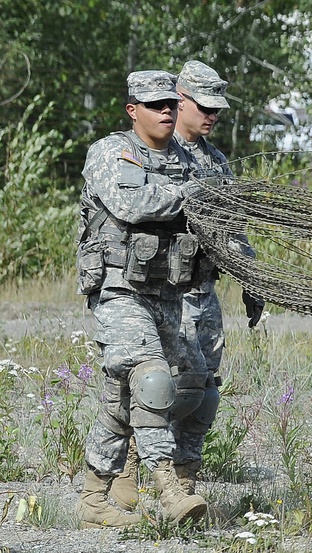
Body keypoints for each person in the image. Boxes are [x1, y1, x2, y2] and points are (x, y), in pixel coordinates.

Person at [74, 70, 210, 527]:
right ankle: (167, 487)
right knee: (152, 380)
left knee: (191, 387)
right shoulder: (112, 152)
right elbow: (133, 204)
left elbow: (217, 214)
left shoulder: (189, 160)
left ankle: (95, 498)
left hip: (168, 292)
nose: (167, 111)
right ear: (134, 111)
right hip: (118, 288)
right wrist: (189, 195)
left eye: (172, 103)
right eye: (155, 105)